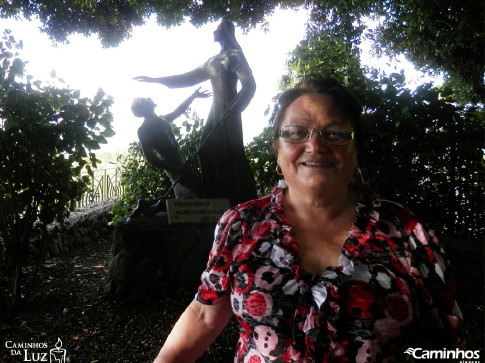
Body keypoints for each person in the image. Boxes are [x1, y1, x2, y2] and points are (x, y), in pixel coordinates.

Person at [153, 77, 463, 362]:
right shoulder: (241, 224)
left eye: (335, 133)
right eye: (297, 132)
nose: (315, 146)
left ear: (355, 150)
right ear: (278, 150)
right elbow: (204, 315)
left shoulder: (405, 231)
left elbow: (444, 338)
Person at [134, 20, 257, 206]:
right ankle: (218, 201)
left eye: (216, 29)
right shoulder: (212, 61)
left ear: (224, 32)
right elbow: (186, 78)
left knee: (229, 153)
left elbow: (250, 84)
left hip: (229, 114)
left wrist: (234, 110)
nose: (213, 32)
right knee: (206, 151)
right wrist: (155, 80)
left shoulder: (234, 56)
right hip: (216, 114)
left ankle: (238, 200)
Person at [131, 87, 210, 200]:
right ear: (143, 108)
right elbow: (151, 158)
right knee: (194, 193)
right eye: (146, 100)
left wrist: (193, 96)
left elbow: (179, 110)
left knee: (197, 192)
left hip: (180, 162)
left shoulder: (163, 119)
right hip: (172, 165)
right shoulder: (143, 129)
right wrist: (174, 167)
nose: (149, 98)